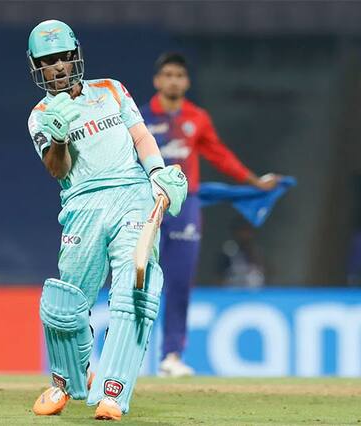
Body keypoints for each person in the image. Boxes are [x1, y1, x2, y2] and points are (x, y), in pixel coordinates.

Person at [26, 21, 188, 420]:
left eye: (63, 58)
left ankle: (113, 392)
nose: (58, 67)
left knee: (135, 291)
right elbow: (58, 170)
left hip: (132, 195)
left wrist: (157, 173)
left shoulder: (111, 89)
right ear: (37, 67)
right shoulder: (40, 115)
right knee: (65, 305)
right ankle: (67, 383)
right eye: (48, 61)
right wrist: (59, 138)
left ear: (75, 56)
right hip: (82, 206)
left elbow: (141, 137)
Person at [140, 52, 280, 377]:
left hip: (185, 206)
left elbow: (219, 155)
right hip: (147, 203)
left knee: (179, 281)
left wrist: (254, 181)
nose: (173, 81)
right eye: (168, 75)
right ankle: (129, 352)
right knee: (137, 278)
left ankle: (171, 356)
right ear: (157, 81)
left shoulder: (197, 118)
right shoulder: (140, 117)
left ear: (187, 82)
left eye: (179, 75)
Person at [217, 217, 266, 288]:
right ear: (234, 233)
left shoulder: (257, 252)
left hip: (254, 291)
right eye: (241, 231)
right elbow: (219, 278)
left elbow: (264, 273)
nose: (244, 234)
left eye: (247, 231)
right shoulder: (227, 252)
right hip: (232, 291)